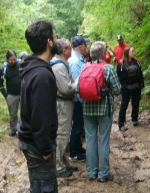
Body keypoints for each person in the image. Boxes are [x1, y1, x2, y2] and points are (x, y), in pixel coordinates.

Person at [17, 20, 59, 192]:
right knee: (44, 187)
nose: (56, 39)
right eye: (54, 36)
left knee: (38, 184)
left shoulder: (33, 68)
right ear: (49, 42)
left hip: (31, 141)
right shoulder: (42, 75)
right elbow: (39, 118)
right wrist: (45, 150)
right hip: (38, 145)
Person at [78, 41, 121, 182]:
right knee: (103, 140)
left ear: (91, 54)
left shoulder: (84, 67)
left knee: (90, 140)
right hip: (104, 110)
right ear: (103, 54)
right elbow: (117, 89)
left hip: (87, 109)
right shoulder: (108, 68)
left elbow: (78, 87)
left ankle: (91, 172)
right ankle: (103, 174)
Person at [50, 38, 78, 178]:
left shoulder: (62, 64)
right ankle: (58, 166)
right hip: (62, 104)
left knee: (65, 133)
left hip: (65, 103)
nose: (71, 50)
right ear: (64, 50)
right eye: (69, 47)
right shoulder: (59, 66)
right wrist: (77, 84)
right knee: (61, 134)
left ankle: (64, 162)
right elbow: (66, 89)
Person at [68, 35, 90, 162]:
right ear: (81, 46)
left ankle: (78, 148)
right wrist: (83, 101)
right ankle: (74, 152)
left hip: (77, 100)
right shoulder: (75, 62)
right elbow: (77, 84)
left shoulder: (77, 59)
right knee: (77, 126)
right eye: (85, 45)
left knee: (78, 125)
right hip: (77, 100)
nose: (87, 47)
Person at [117, 47, 144, 131]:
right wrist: (122, 86)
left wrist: (141, 84)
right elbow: (118, 76)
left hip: (136, 86)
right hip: (126, 87)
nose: (134, 52)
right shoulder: (121, 63)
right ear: (127, 53)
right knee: (124, 105)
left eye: (133, 51)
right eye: (132, 51)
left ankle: (135, 119)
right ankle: (121, 123)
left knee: (135, 104)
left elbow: (141, 73)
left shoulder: (136, 62)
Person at [0, 50, 21, 136]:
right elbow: (0, 83)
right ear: (7, 59)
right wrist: (6, 95)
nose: (13, 61)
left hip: (23, 93)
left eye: (15, 59)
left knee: (25, 112)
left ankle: (24, 129)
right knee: (13, 114)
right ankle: (13, 129)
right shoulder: (3, 69)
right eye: (11, 60)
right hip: (11, 95)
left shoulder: (20, 64)